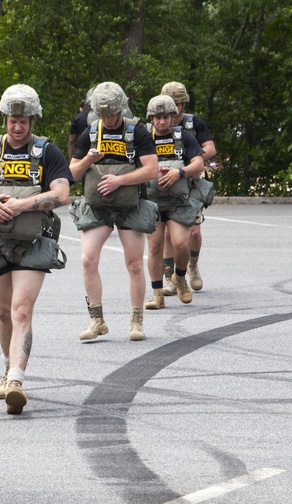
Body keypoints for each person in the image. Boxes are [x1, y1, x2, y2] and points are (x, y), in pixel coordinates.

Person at [0, 84, 73, 414]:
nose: (17, 126)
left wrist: (22, 205)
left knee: (21, 310)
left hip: (32, 243)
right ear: (4, 119)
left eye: (24, 119)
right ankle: (6, 366)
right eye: (13, 119)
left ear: (33, 119)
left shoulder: (47, 152)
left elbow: (62, 193)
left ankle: (16, 379)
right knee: (2, 311)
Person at [69, 81, 158, 342]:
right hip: (98, 207)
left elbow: (151, 170)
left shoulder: (137, 132)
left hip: (130, 206)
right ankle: (97, 320)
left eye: (113, 114)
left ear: (121, 109)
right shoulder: (90, 133)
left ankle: (136, 320)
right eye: (103, 114)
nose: (109, 119)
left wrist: (120, 180)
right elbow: (71, 173)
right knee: (87, 259)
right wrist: (88, 160)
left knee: (133, 263)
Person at [143, 94, 206, 308]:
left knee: (180, 244)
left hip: (179, 200)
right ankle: (157, 294)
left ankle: (180, 278)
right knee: (154, 247)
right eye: (157, 117)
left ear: (173, 116)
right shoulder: (144, 138)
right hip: (152, 201)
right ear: (151, 118)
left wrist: (180, 172)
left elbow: (199, 163)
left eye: (166, 117)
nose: (162, 121)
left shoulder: (184, 137)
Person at [156, 81, 217, 296]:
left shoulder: (193, 125)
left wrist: (188, 157)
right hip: (164, 184)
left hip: (190, 182)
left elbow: (210, 149)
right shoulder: (155, 126)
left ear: (183, 104)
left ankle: (192, 265)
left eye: (177, 103)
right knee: (164, 235)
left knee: (194, 230)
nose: (172, 107)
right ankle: (169, 277)